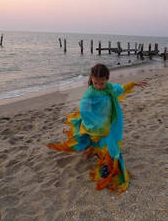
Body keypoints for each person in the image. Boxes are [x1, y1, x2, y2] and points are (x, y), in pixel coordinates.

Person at [47, 63, 147, 194]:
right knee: (93, 139)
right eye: (95, 83)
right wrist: (95, 122)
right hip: (94, 125)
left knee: (111, 145)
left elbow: (119, 89)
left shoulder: (109, 88)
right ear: (92, 80)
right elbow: (84, 108)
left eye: (102, 83)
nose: (99, 86)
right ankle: (90, 151)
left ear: (107, 79)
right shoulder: (90, 94)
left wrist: (133, 83)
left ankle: (107, 167)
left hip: (109, 124)